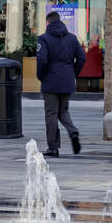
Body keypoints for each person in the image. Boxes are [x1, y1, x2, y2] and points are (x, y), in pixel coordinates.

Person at [36, 9, 85, 157]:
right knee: (63, 111)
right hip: (67, 81)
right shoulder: (72, 38)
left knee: (51, 114)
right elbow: (82, 58)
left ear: (48, 22)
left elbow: (42, 60)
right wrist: (73, 73)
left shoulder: (44, 39)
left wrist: (41, 76)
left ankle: (53, 148)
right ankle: (73, 131)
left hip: (50, 81)